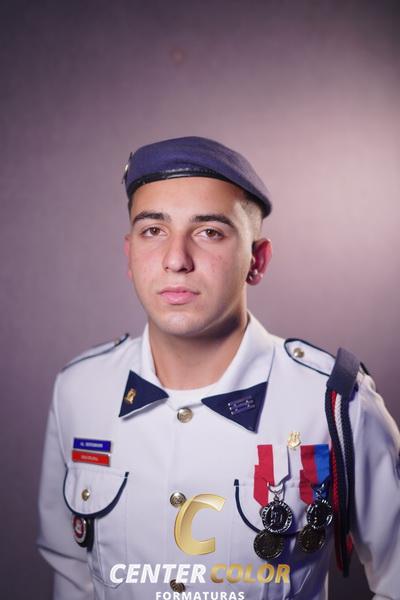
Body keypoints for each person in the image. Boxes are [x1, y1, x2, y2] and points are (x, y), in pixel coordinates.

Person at [37, 136, 400, 600]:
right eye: (153, 230)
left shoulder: (335, 404)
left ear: (256, 260)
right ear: (128, 254)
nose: (176, 259)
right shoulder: (79, 390)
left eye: (209, 232)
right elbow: (73, 574)